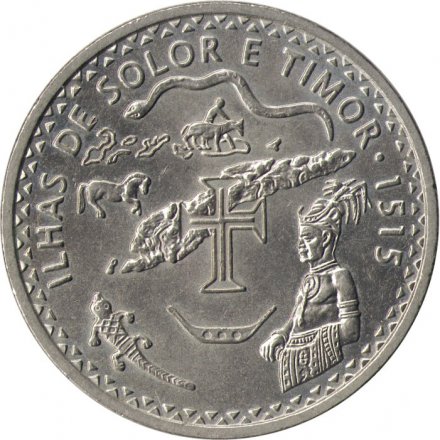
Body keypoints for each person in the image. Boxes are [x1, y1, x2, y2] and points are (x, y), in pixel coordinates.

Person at [260, 179, 369, 392]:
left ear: (326, 237)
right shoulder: (309, 279)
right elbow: (297, 317)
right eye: (301, 238)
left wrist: (308, 349)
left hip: (314, 362)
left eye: (308, 238)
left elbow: (351, 331)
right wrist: (281, 335)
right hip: (292, 362)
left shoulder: (339, 276)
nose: (300, 245)